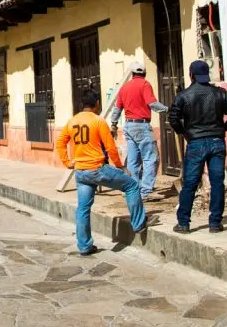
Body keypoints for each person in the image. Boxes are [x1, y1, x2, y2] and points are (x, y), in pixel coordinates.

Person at [56, 89, 156, 256]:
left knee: (83, 209)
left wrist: (68, 162)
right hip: (97, 168)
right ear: (96, 104)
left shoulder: (72, 121)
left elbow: (60, 143)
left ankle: (84, 246)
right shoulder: (98, 121)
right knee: (131, 185)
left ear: (82, 104)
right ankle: (139, 224)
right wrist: (120, 167)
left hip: (81, 172)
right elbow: (110, 147)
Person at [168, 60, 227, 234]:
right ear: (206, 75)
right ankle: (215, 223)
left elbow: (173, 118)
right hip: (217, 142)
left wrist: (184, 132)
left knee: (190, 184)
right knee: (217, 183)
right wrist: (224, 128)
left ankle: (183, 223)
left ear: (191, 75)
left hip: (195, 143)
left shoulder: (184, 96)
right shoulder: (220, 93)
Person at [110, 61, 168, 202]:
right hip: (141, 126)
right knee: (151, 159)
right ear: (144, 73)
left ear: (132, 74)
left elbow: (117, 108)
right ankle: (146, 191)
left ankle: (131, 190)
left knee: (133, 161)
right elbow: (152, 103)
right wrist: (168, 109)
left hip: (129, 126)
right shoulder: (145, 84)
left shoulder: (125, 87)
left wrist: (113, 123)